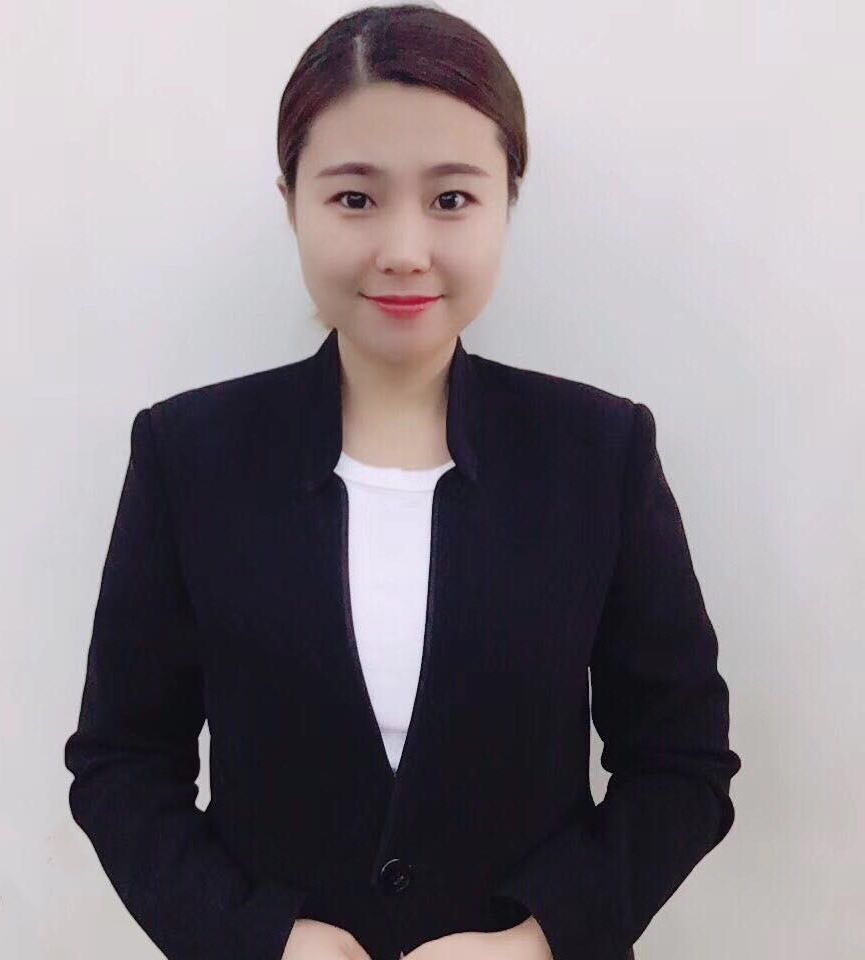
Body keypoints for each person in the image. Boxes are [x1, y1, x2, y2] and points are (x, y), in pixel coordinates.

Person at [64, 5, 742, 960]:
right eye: (355, 198)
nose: (404, 248)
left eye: (452, 198)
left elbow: (681, 762)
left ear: (508, 201)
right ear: (291, 202)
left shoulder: (600, 452)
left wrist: (537, 941)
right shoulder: (188, 456)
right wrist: (258, 939)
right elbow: (123, 763)